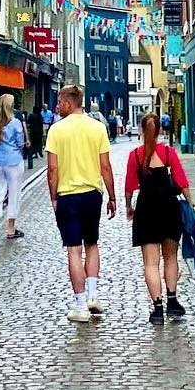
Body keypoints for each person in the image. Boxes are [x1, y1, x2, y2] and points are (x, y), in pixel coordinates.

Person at [46, 83, 116, 324]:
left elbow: (53, 169)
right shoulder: (97, 128)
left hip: (68, 195)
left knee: (73, 250)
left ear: (68, 102)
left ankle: (79, 304)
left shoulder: (56, 130)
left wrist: (53, 196)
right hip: (92, 195)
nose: (56, 106)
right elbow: (105, 166)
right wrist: (112, 196)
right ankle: (94, 296)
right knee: (92, 244)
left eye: (59, 101)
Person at [125, 111, 190, 325]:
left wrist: (128, 207)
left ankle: (157, 308)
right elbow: (181, 181)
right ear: (160, 130)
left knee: (150, 263)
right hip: (169, 209)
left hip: (146, 211)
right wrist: (190, 203)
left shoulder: (136, 156)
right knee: (171, 257)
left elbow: (129, 187)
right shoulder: (169, 154)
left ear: (142, 131)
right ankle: (173, 301)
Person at [0, 93, 27, 240]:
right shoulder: (15, 122)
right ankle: (10, 229)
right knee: (14, 194)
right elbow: (20, 143)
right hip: (13, 161)